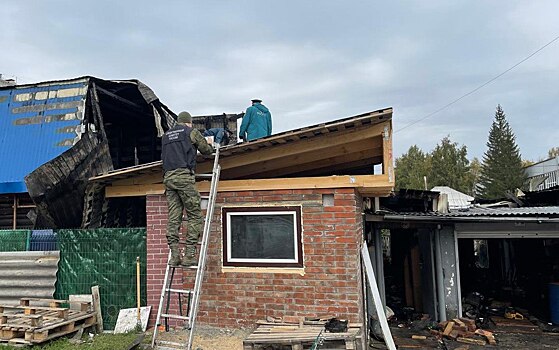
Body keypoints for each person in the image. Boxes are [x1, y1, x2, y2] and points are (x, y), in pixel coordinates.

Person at [161, 111, 214, 266]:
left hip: (168, 179)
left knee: (174, 217)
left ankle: (175, 256)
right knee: (195, 215)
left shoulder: (166, 136)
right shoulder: (191, 132)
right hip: (184, 178)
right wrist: (211, 146)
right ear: (189, 122)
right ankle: (189, 255)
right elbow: (206, 150)